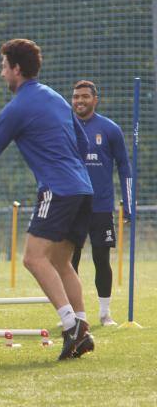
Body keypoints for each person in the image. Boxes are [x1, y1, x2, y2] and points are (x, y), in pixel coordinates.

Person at [0, 39, 96, 360]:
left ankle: (70, 326)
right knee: (61, 262)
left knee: (33, 258)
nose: (1, 73)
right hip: (83, 188)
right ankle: (81, 329)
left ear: (16, 69)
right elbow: (81, 141)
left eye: (3, 66)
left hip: (58, 189)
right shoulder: (54, 97)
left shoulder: (17, 108)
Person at [70, 79, 132, 326]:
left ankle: (105, 313)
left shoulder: (109, 129)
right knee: (68, 261)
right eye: (76, 97)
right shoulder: (64, 127)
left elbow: (125, 166)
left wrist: (129, 203)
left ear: (95, 100)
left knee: (101, 259)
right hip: (72, 206)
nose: (80, 101)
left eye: (84, 96)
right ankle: (73, 314)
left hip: (101, 206)